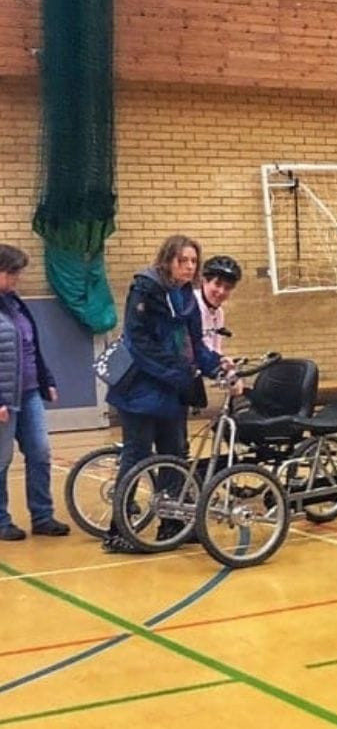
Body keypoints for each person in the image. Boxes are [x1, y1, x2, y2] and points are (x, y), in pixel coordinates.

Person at [103, 234, 226, 552]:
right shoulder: (145, 289)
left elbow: (195, 344)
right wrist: (177, 372)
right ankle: (119, 530)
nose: (189, 266)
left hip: (172, 391)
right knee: (137, 456)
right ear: (168, 260)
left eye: (194, 261)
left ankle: (171, 523)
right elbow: (140, 343)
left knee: (174, 456)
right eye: (183, 260)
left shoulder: (188, 296)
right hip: (140, 389)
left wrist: (216, 366)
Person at [0, 244, 71, 540]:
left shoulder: (16, 304)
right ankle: (1, 521)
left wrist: (46, 379)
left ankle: (42, 516)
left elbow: (32, 347)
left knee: (40, 452)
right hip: (5, 399)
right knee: (1, 460)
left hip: (29, 393)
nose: (17, 277)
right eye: (12, 272)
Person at [195, 254, 242, 354]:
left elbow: (216, 349)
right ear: (205, 281)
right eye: (217, 284)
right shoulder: (191, 305)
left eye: (227, 288)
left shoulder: (219, 313)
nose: (221, 291)